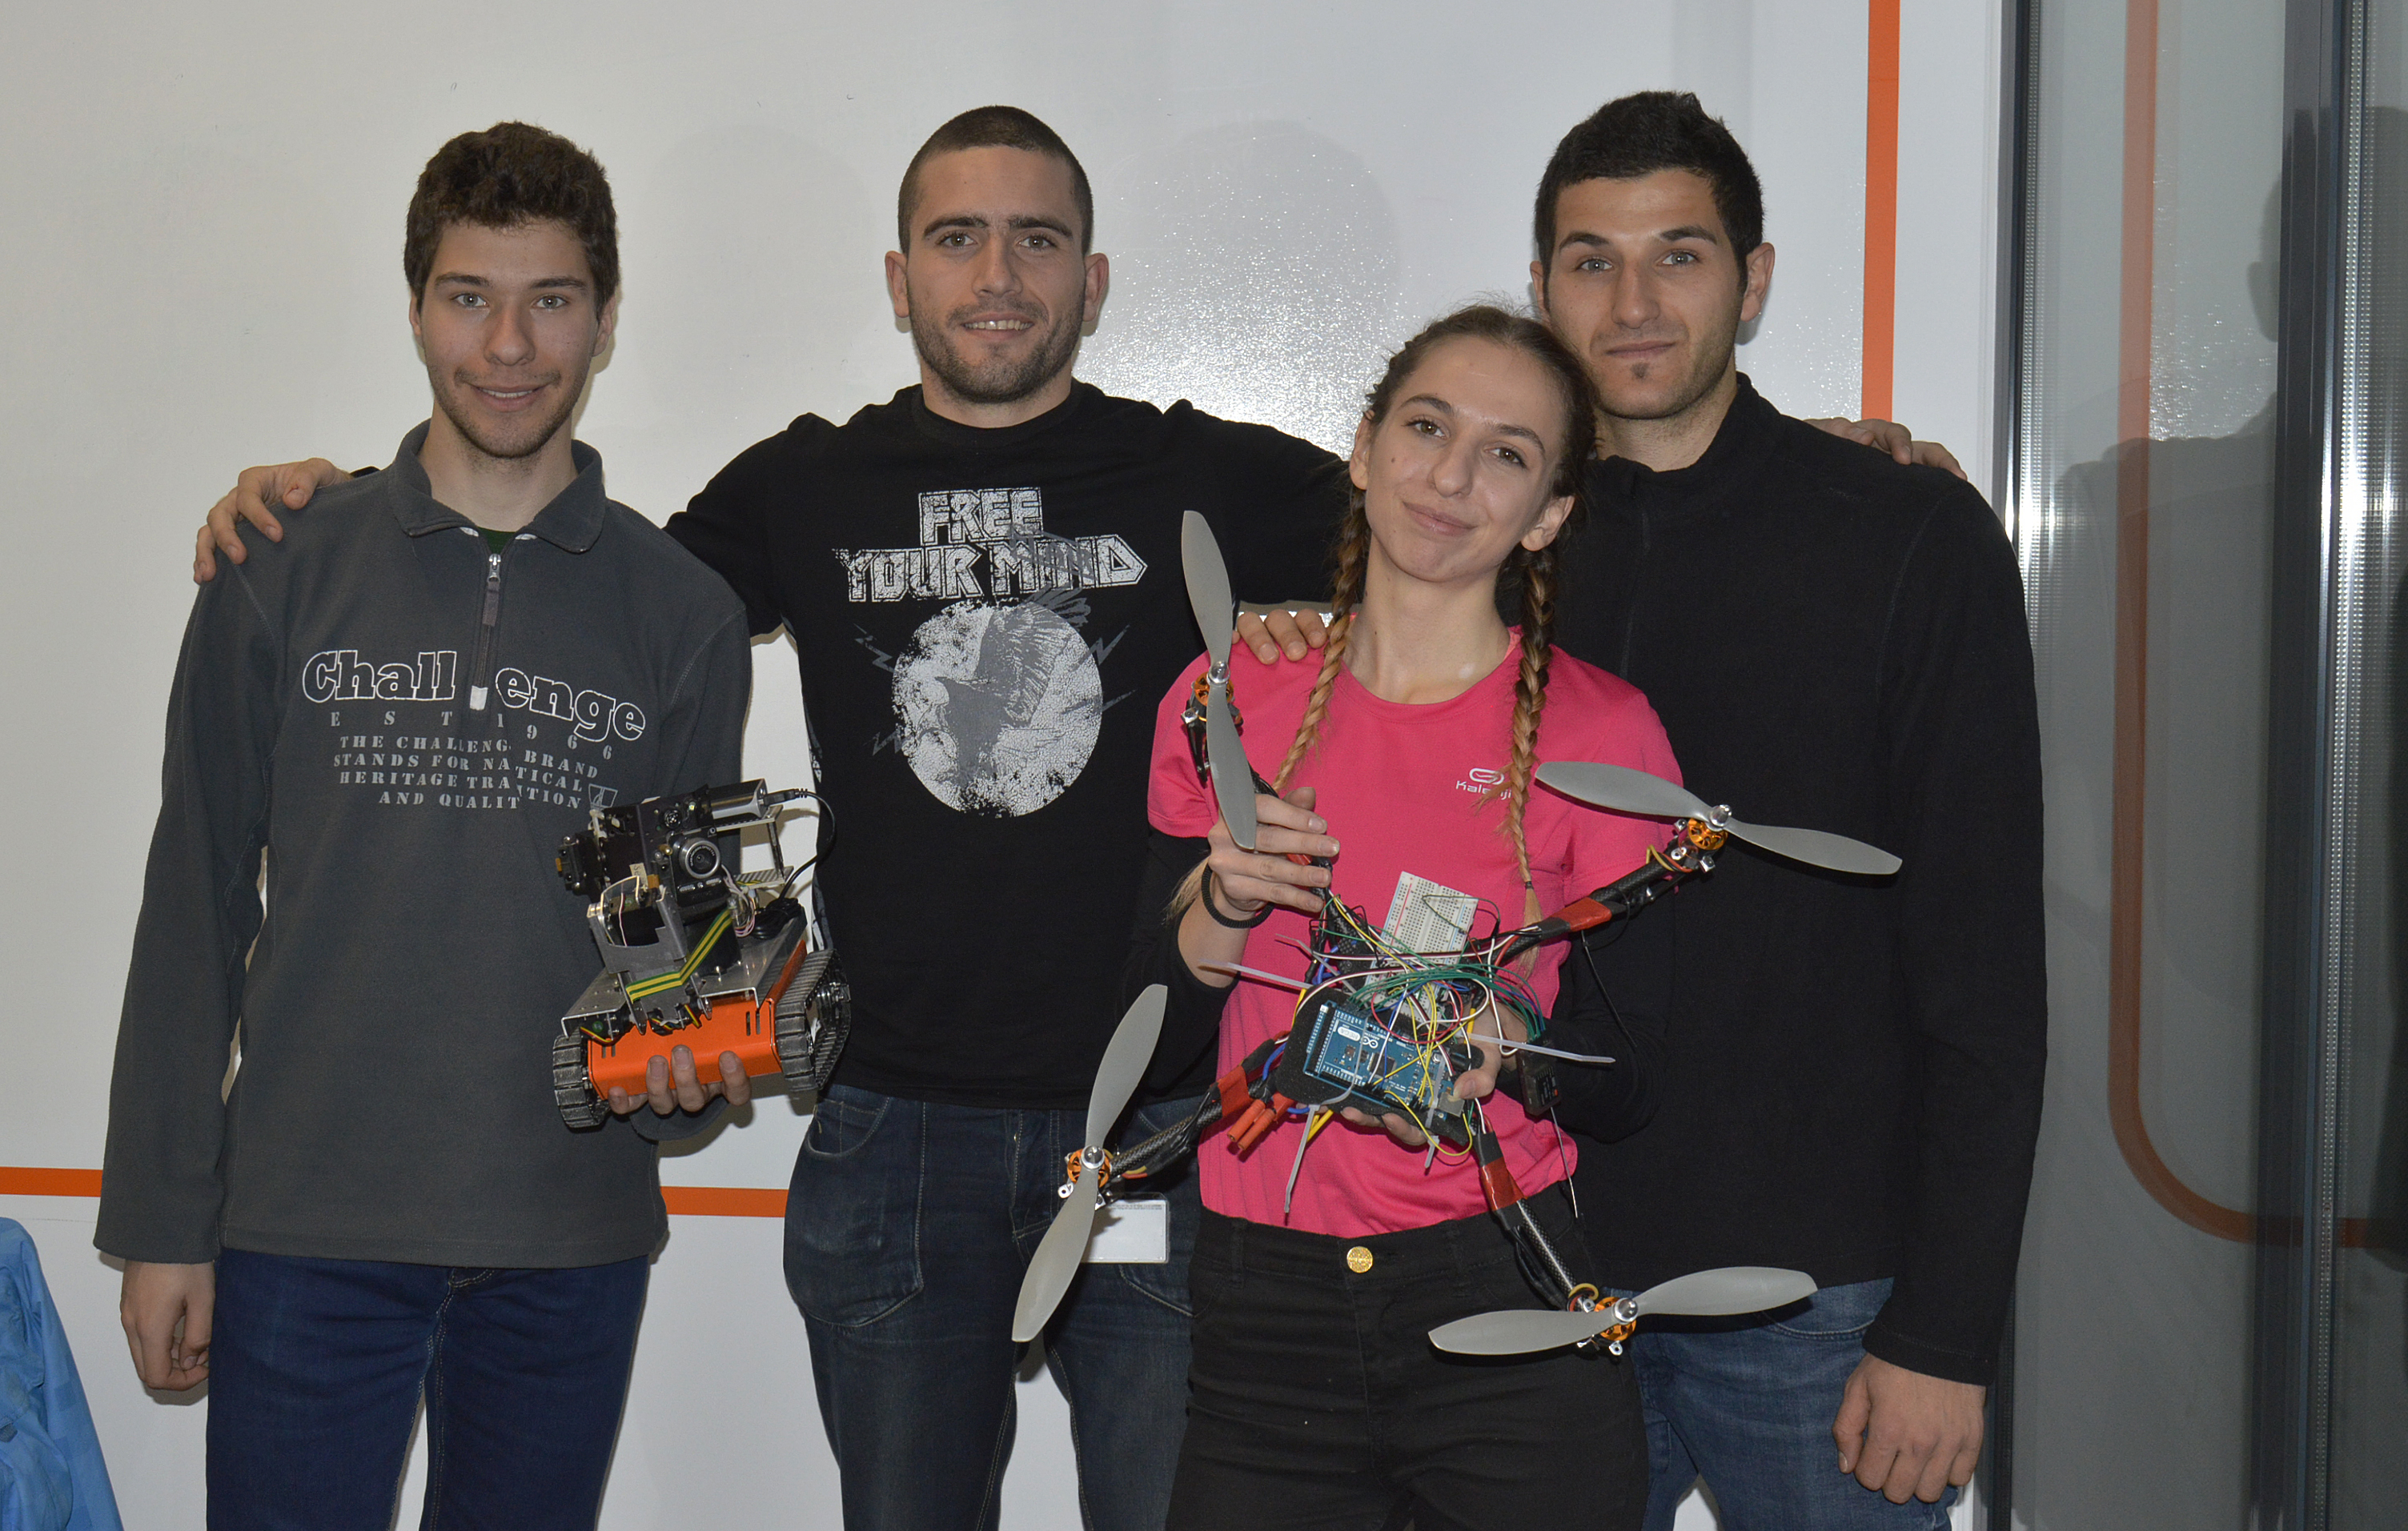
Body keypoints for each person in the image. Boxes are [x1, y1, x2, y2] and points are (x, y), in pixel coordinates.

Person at [187, 102, 1956, 1530]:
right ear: (899, 278)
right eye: (957, 237)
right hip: (894, 1139)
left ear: (1094, 279)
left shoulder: (1212, 473)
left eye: (1037, 238)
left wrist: (1807, 461)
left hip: (1167, 1140)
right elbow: (586, 579)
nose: (997, 273)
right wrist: (344, 501)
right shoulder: (806, 482)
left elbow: (1492, 491)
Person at [1245, 92, 2045, 1529]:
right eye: (1590, 261)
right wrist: (1291, 622)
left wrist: (1945, 1328)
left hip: (1814, 1295)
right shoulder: (1481, 531)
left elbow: (1984, 961)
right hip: (1515, 1274)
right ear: (1542, 282)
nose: (1632, 304)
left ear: (1755, 278)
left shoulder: (1904, 537)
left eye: (1679, 255)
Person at [95, 122, 754, 1528]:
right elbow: (192, 902)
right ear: (414, 310)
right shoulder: (279, 566)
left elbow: (681, 975)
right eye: (469, 297)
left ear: (606, 319)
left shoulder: (682, 614)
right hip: (301, 1235)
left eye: (552, 300)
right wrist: (160, 1223)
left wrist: (694, 1069)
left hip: (567, 1248)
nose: (509, 345)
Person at [1135, 305, 1680, 1530]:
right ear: (1366, 445)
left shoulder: (1602, 735)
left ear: (1547, 513)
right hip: (1261, 1310)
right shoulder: (1230, 698)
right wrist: (1221, 901)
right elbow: (1148, 1041)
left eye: (1507, 453)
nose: (1451, 476)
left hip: (1506, 1298)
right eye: (1427, 428)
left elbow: (1633, 1077)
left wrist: (1510, 1053)